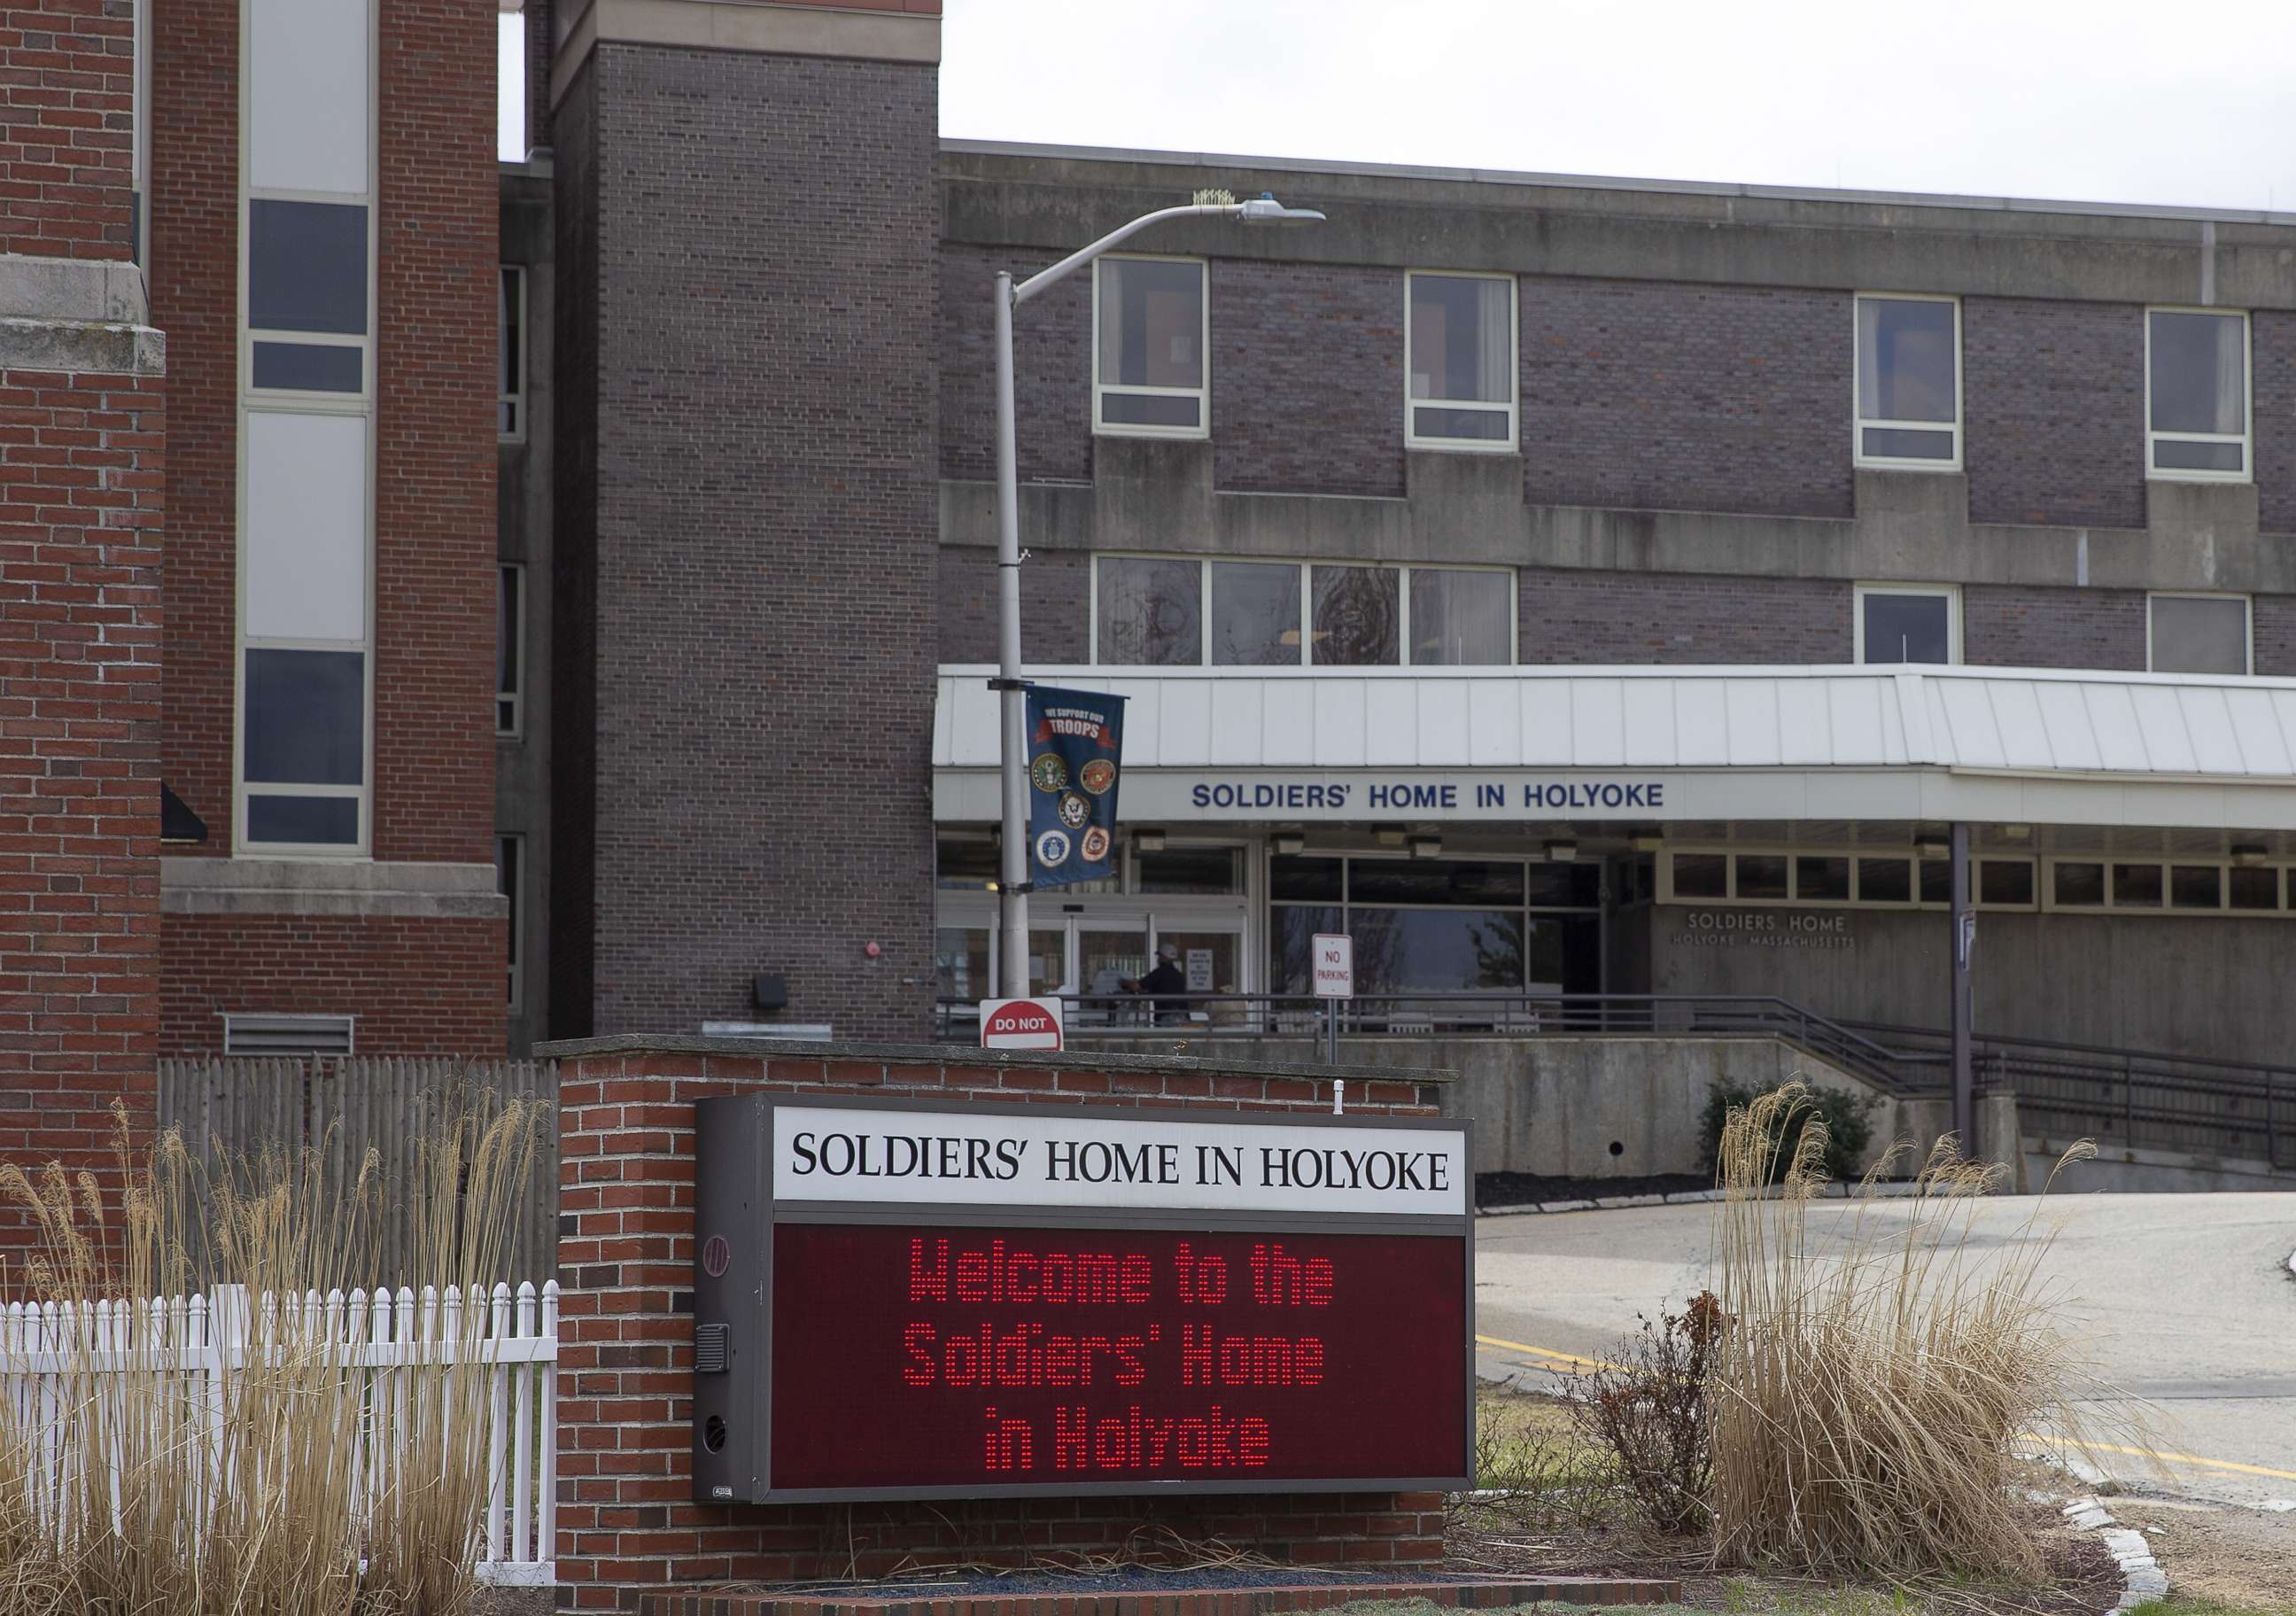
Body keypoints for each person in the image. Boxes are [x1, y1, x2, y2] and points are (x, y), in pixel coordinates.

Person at [1122, 943, 1189, 1023]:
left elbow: (1135, 986)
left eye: (1160, 956)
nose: (1158, 959)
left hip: (1167, 1018)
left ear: (1164, 957)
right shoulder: (1179, 975)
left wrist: (1123, 982)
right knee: (1180, 1036)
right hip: (1183, 1018)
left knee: (1165, 1036)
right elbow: (1163, 990)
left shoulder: (1159, 973)